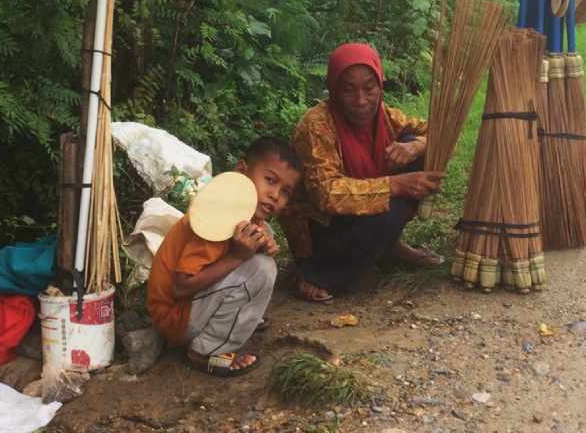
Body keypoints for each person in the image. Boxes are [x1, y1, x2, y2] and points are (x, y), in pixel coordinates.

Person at [284, 43, 446, 303]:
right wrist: (395, 185)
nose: (361, 101)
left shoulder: (384, 117)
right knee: (388, 210)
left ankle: (388, 248)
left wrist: (415, 146)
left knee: (419, 148)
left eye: (369, 88)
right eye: (348, 89)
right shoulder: (316, 126)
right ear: (334, 89)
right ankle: (318, 273)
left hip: (360, 214)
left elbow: (440, 133)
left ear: (380, 85)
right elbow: (326, 194)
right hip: (321, 231)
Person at [146, 137, 302, 377]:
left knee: (262, 238)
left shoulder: (245, 213)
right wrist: (239, 257)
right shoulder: (215, 220)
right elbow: (179, 287)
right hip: (176, 316)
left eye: (285, 192)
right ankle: (206, 351)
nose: (275, 195)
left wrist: (257, 246)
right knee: (262, 269)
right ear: (241, 171)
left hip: (185, 310)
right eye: (270, 180)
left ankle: (233, 320)